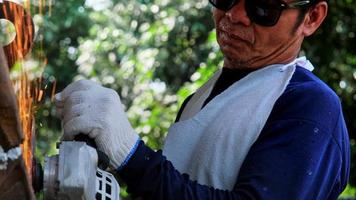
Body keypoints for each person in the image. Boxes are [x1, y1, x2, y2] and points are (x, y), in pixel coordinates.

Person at [55, 0, 350, 199]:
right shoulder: (202, 98)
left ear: (311, 18)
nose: (235, 15)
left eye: (263, 7)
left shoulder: (310, 106)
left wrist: (132, 155)